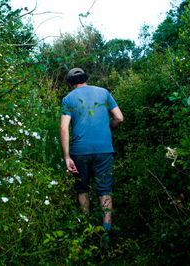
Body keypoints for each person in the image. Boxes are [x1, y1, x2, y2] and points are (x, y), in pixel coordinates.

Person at [60, 67, 123, 235]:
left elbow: (64, 128)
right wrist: (109, 128)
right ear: (85, 79)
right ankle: (107, 233)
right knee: (104, 190)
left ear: (70, 83)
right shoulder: (104, 93)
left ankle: (87, 230)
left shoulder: (68, 99)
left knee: (82, 189)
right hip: (104, 150)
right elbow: (119, 118)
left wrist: (67, 157)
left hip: (79, 152)